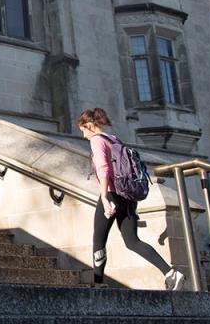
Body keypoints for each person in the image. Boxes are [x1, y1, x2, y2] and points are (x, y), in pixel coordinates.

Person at [78, 107, 186, 290]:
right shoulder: (114, 139)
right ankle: (170, 273)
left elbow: (103, 169)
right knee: (132, 241)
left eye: (82, 130)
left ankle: (98, 284)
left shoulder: (97, 140)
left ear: (89, 125)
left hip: (112, 193)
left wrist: (104, 198)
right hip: (128, 196)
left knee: (98, 239)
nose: (83, 136)